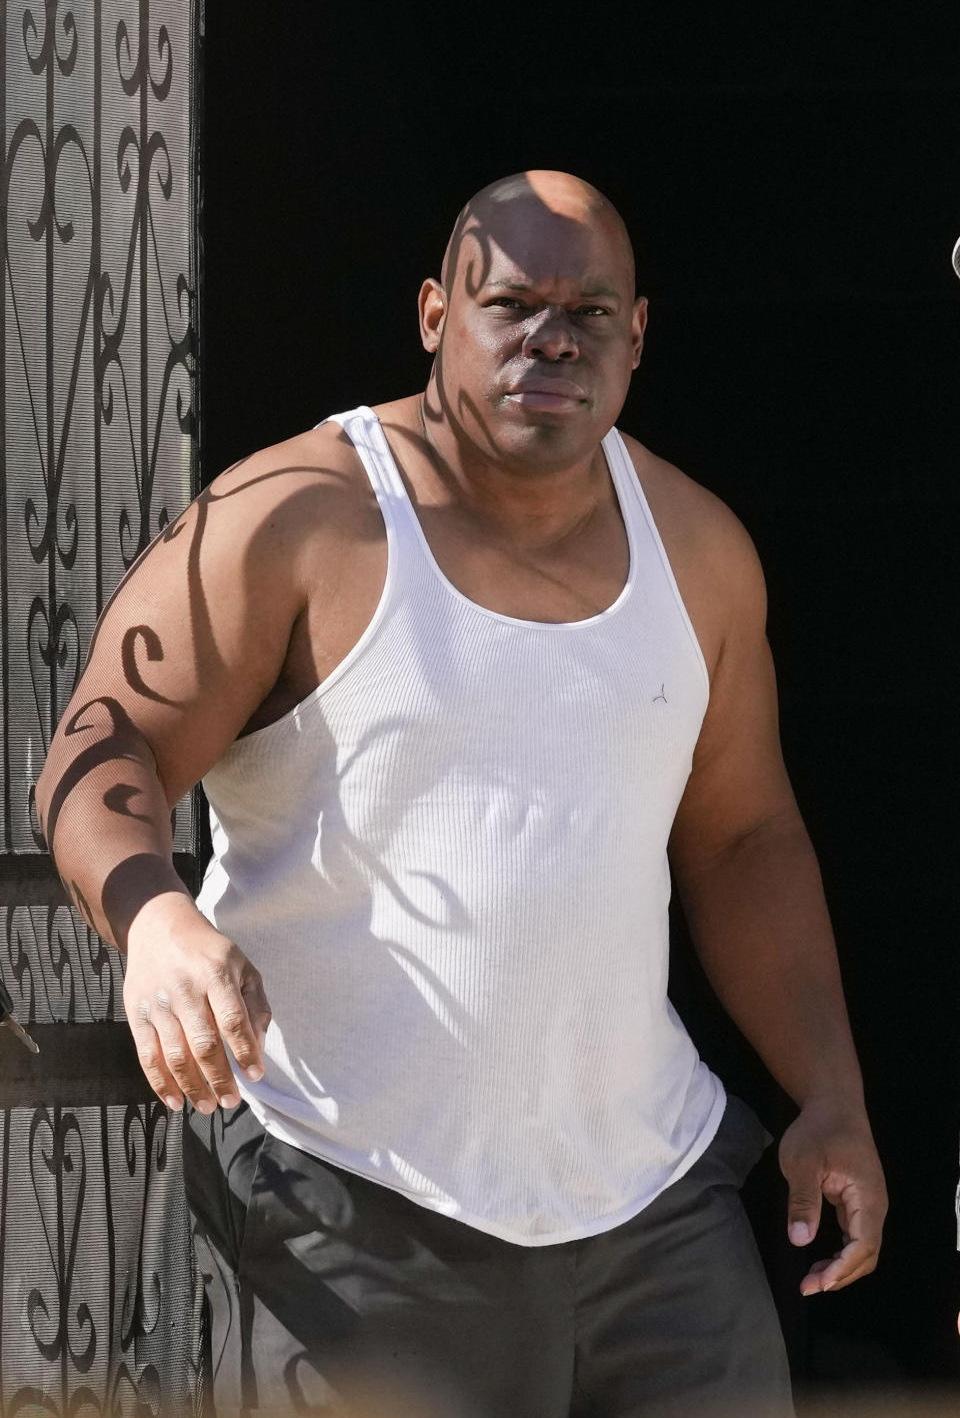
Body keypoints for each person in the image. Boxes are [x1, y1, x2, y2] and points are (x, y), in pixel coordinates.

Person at [37, 170, 887, 1418]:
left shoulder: (698, 550)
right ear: (436, 313)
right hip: (359, 1211)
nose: (552, 334)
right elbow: (95, 749)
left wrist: (832, 1094)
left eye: (589, 312)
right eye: (512, 302)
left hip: (656, 1219)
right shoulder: (299, 516)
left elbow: (746, 841)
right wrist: (153, 919)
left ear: (638, 336)